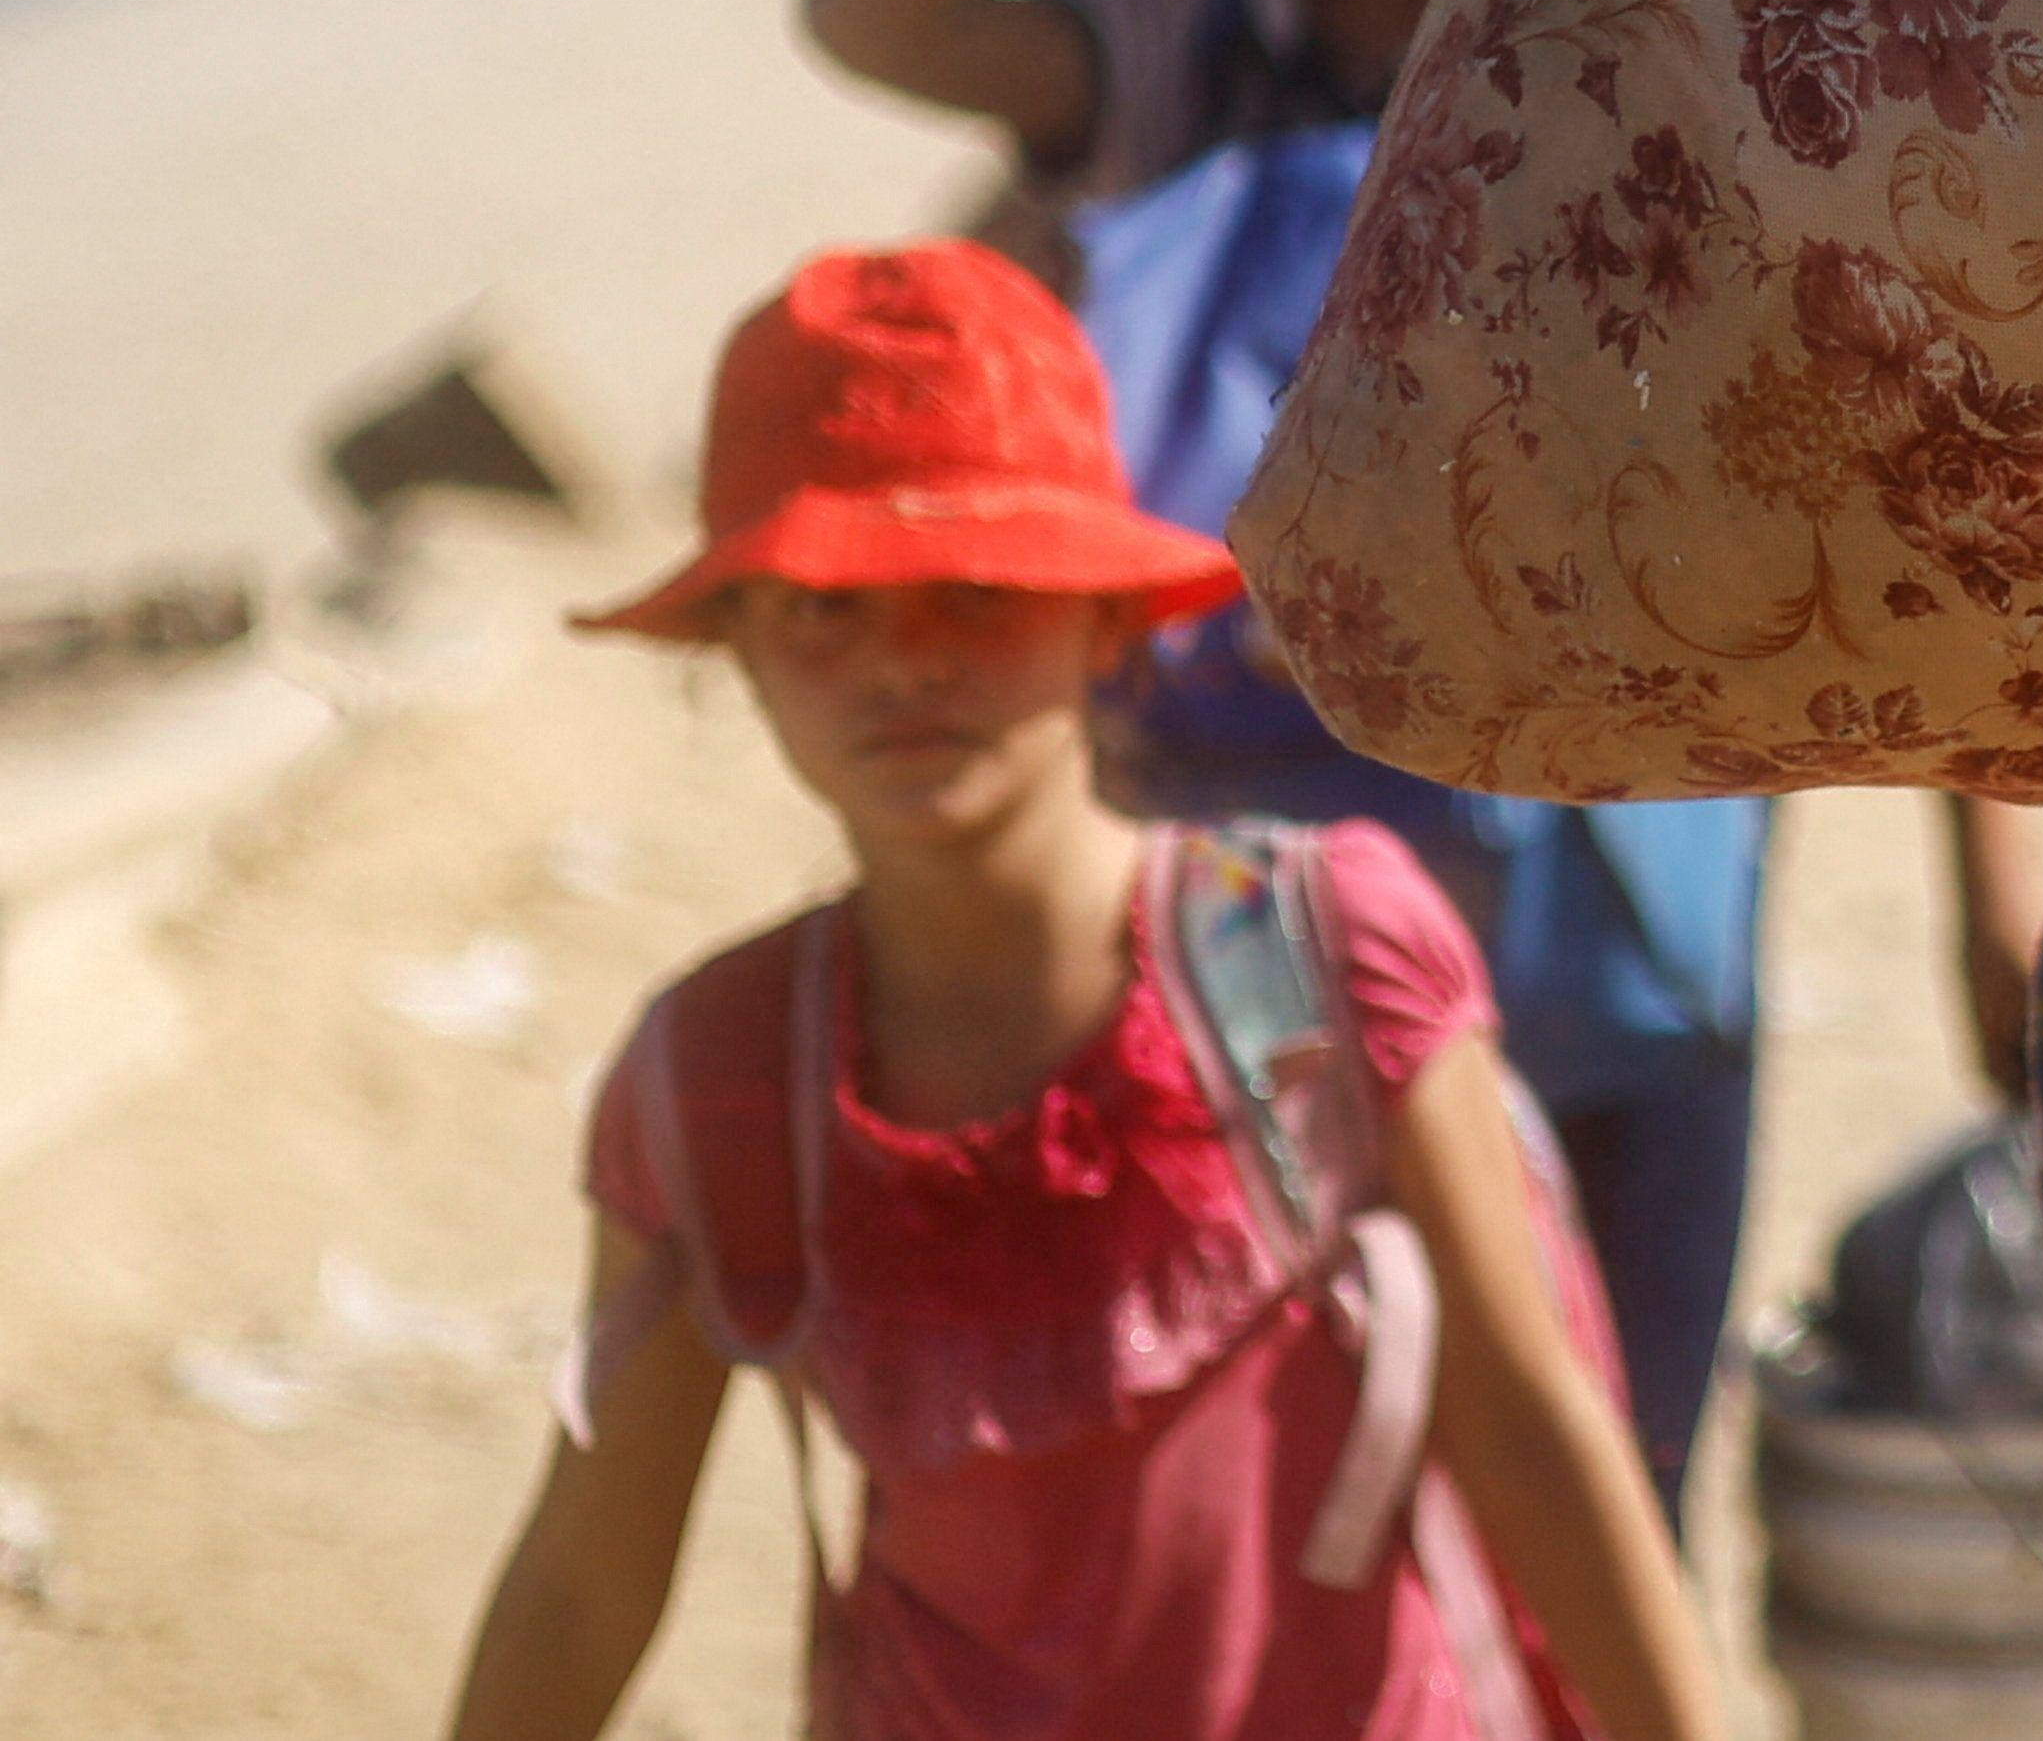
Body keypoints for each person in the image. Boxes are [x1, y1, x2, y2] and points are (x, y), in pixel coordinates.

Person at [800, 0, 1788, 1512]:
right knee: (1308, 1548)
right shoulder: (1173, 39)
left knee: (1616, 1507)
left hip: (1639, 923)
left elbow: (1872, 412)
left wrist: (1993, 890)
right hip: (1260, 963)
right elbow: (871, 11)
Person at [442, 242, 1723, 1741]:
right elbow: (587, 1583)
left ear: (1107, 619)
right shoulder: (719, 1081)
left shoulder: (1319, 950)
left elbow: (1533, 1436)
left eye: (975, 591)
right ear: (737, 651)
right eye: (825, 609)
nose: (902, 666)